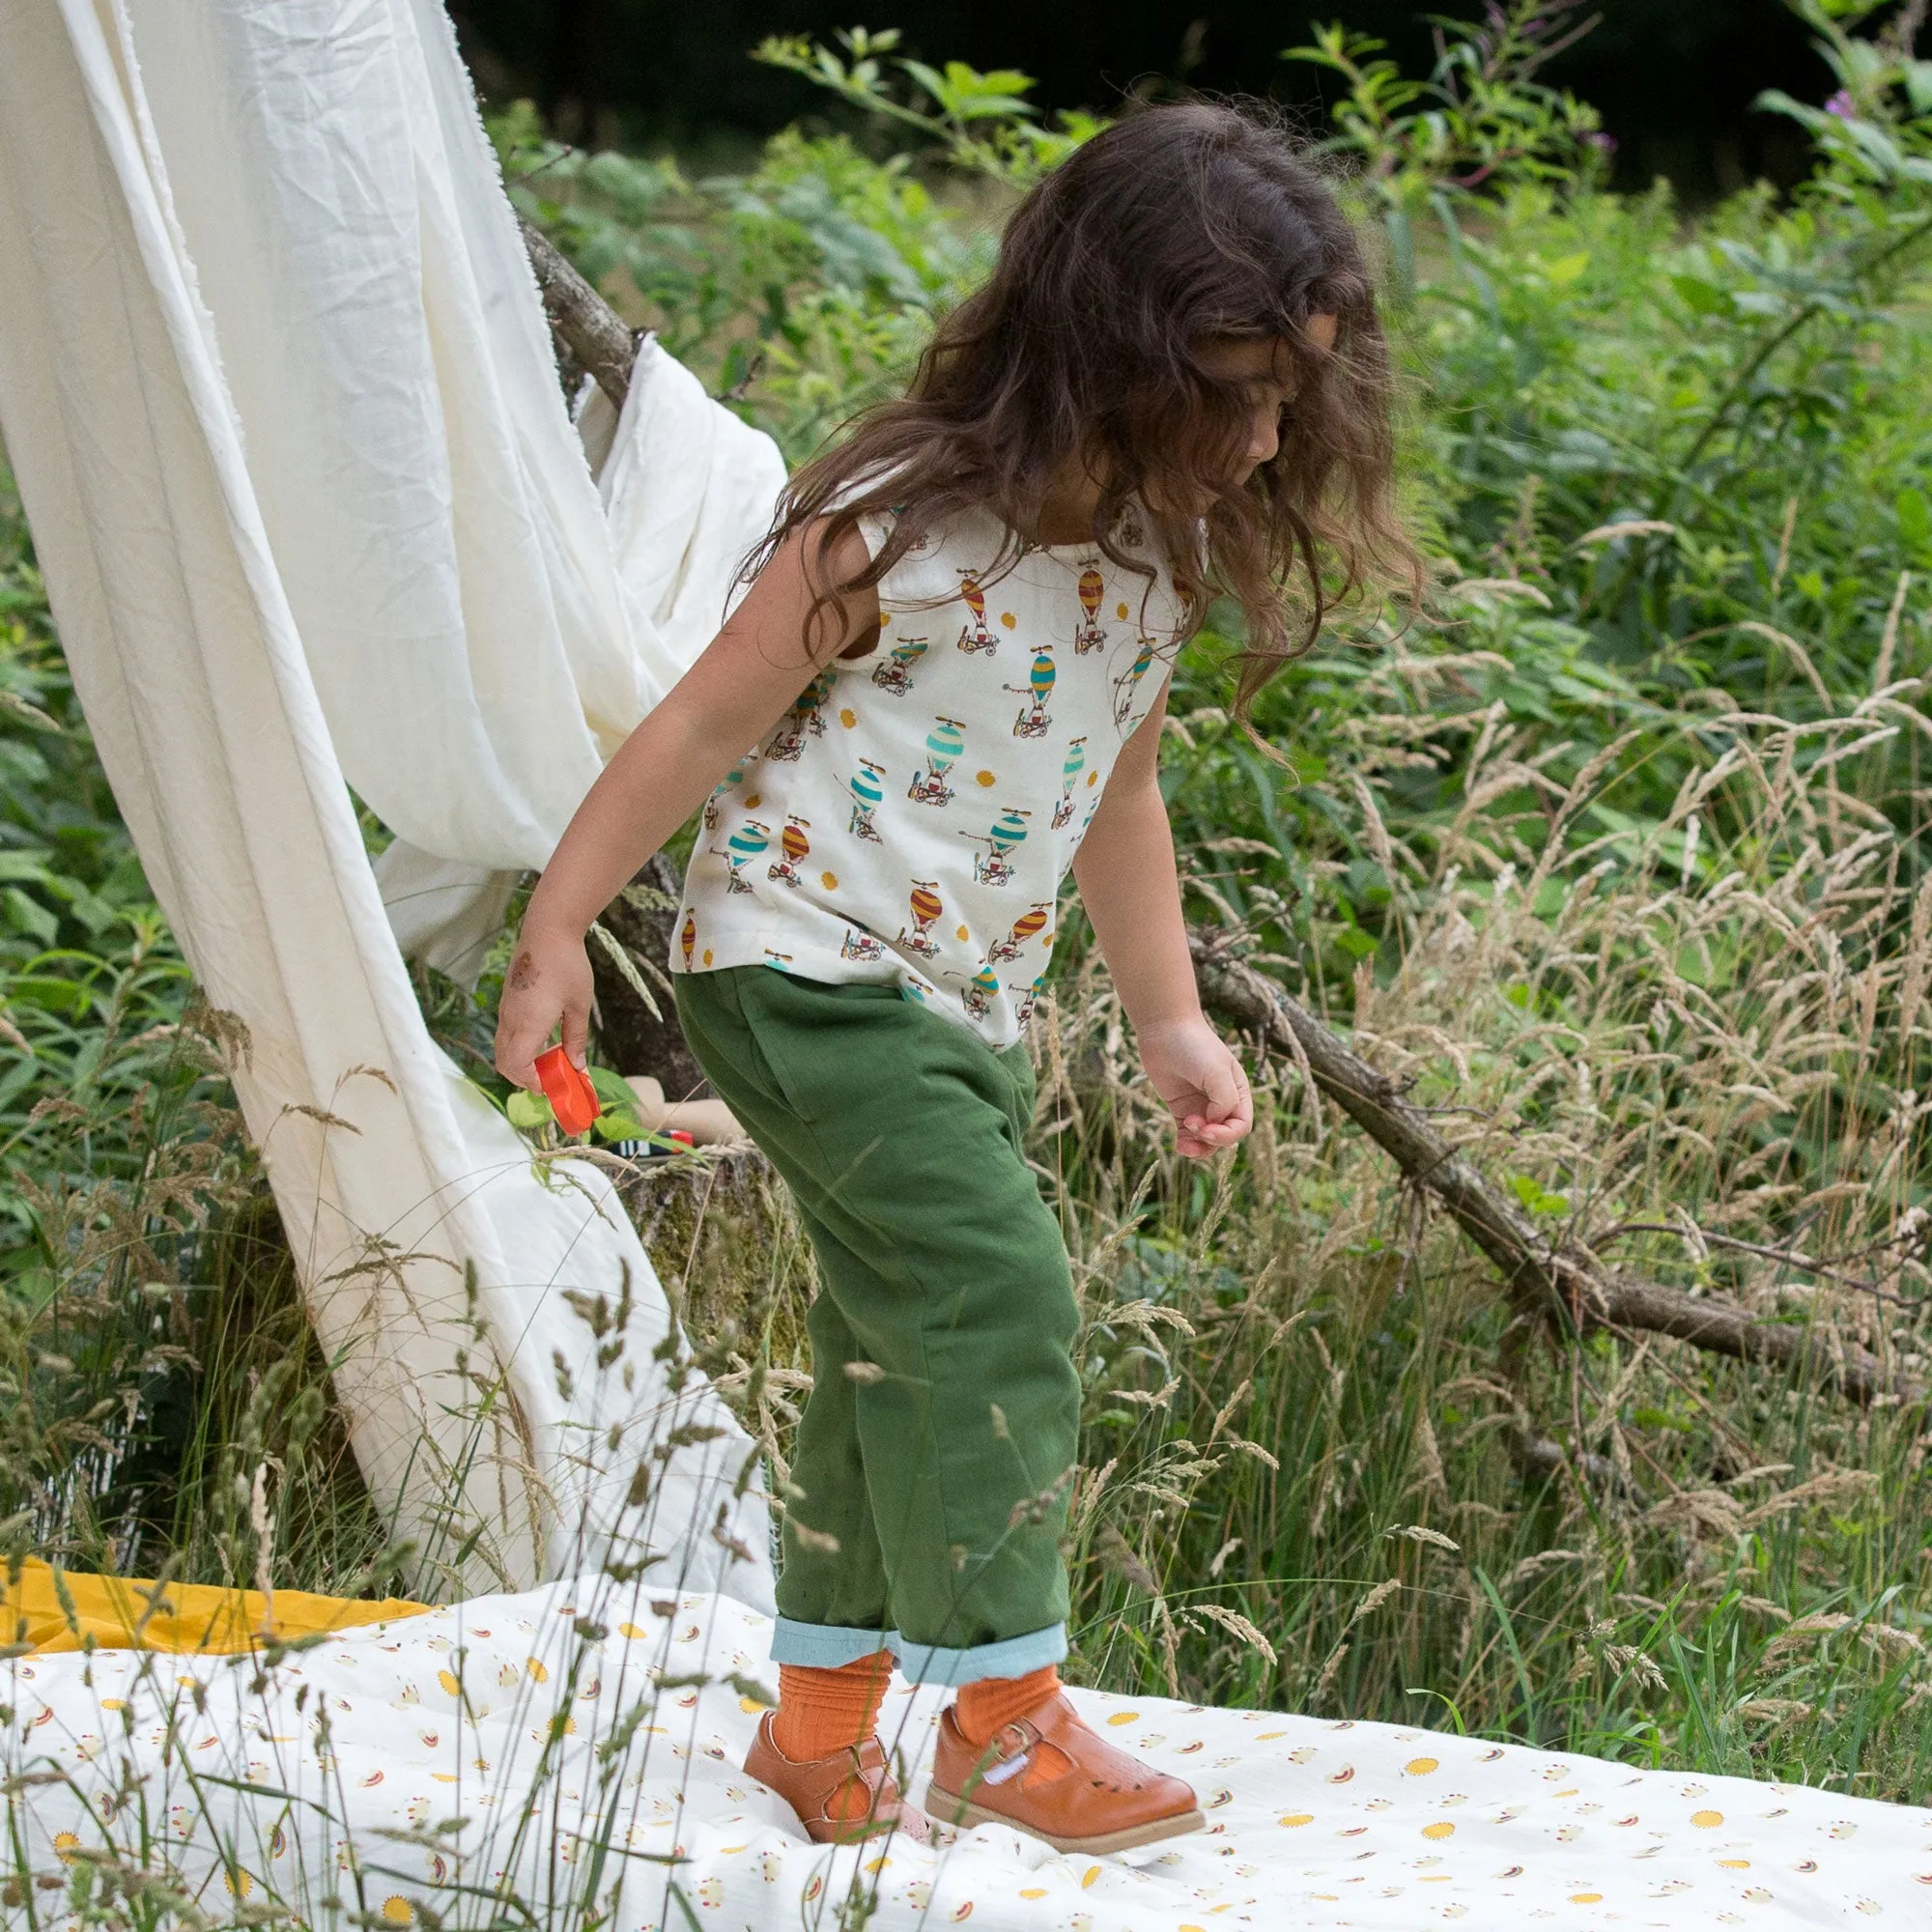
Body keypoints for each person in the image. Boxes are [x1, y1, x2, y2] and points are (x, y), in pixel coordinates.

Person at [495, 100, 1412, 1855]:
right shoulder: (892, 527)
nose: (1271, 430)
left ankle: (818, 1725)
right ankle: (1002, 1719)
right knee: (998, 1302)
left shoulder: (1152, 557)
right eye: (1233, 389)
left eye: (1292, 395)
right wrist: (559, 925)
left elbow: (1119, 790)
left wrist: (1168, 1016)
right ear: (1109, 345)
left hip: (953, 1001)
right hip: (800, 968)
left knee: (882, 1345)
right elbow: (701, 717)